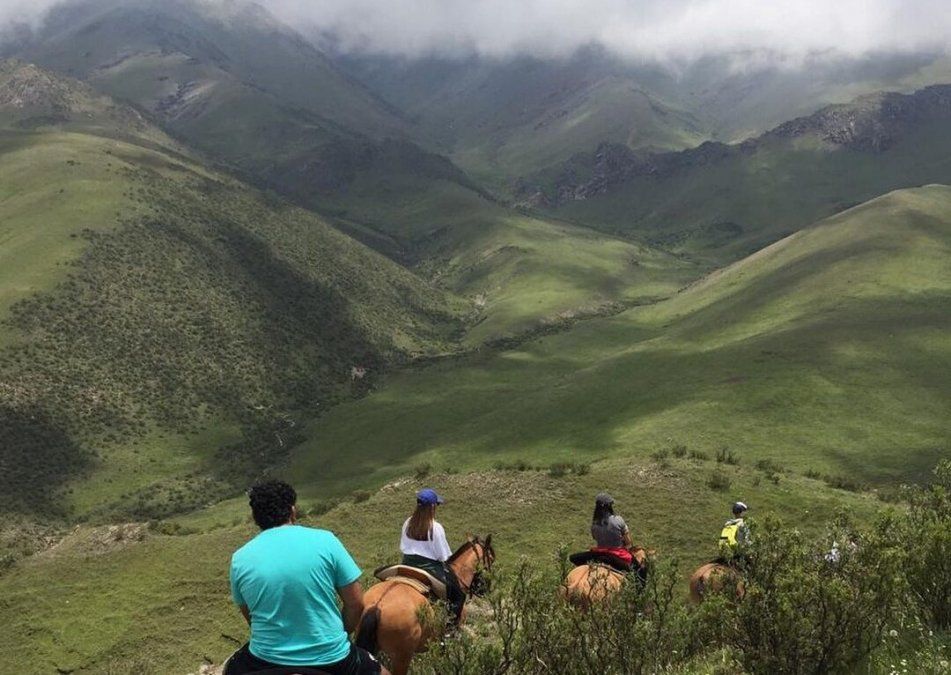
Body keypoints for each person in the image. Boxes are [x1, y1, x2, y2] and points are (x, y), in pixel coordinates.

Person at [225, 480, 389, 675]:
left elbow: (250, 616)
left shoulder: (240, 558)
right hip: (332, 658)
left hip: (264, 659)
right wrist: (338, 635)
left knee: (228, 669)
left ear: (255, 517)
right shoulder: (326, 540)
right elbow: (356, 604)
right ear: (292, 511)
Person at [399, 488, 465, 625]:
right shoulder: (435, 527)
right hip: (429, 567)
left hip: (407, 563)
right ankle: (449, 627)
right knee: (458, 595)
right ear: (433, 507)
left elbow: (403, 545)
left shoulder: (408, 523)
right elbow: (443, 556)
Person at [588, 492, 636, 569]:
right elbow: (628, 542)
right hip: (618, 554)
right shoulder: (618, 520)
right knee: (638, 570)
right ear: (610, 506)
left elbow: (595, 537)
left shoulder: (594, 524)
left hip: (600, 554)